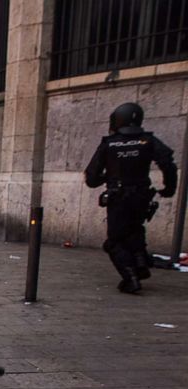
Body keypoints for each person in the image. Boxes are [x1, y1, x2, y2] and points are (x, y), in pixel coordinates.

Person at [84, 102, 178, 293]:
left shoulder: (109, 144)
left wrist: (108, 177)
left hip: (118, 197)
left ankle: (130, 277)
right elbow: (168, 163)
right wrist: (169, 188)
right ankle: (140, 263)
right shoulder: (148, 141)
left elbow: (92, 177)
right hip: (142, 195)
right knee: (135, 230)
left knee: (114, 241)